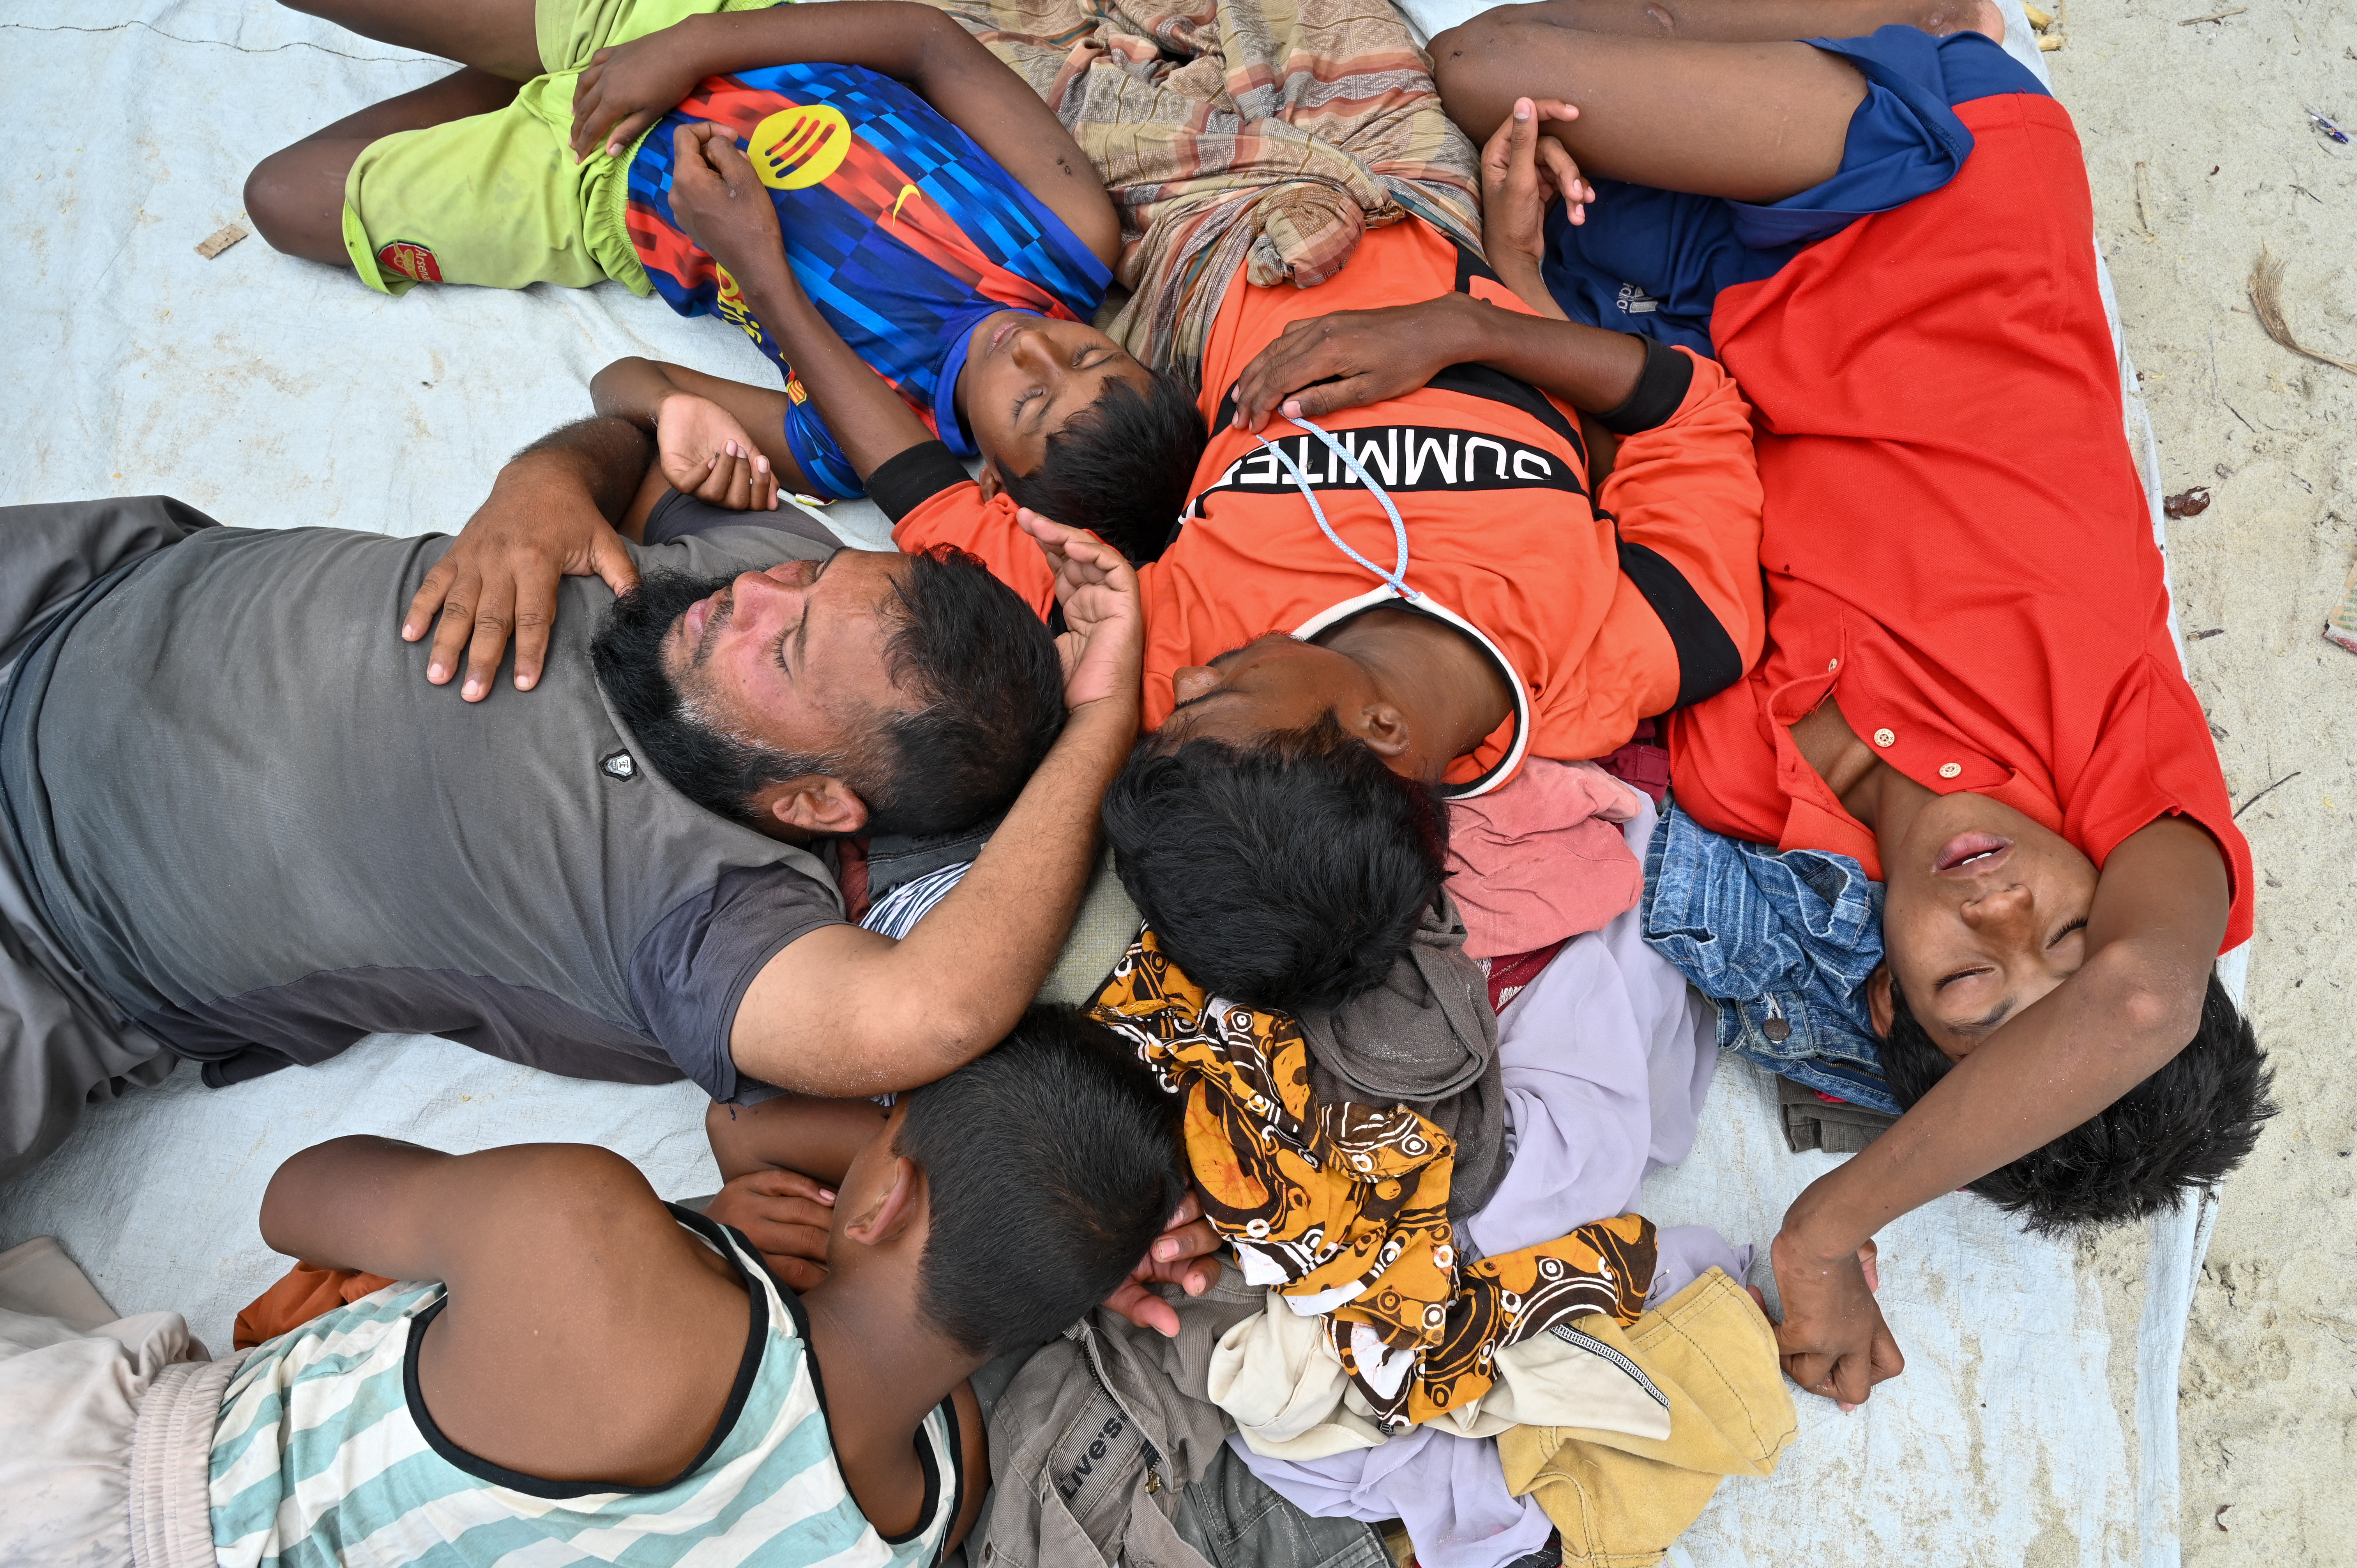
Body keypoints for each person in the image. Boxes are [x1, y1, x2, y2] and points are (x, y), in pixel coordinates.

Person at [1229, 0, 2276, 1405]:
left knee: (1485, 160)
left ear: (1891, 1006)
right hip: (1920, 209)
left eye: (1968, 983)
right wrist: (1826, 1228)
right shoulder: (2116, 754)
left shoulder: (1735, 794)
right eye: (2069, 931)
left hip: (1706, 331)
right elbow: (2145, 998)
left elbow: (1650, 489)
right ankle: (1915, 20)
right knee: (1484, 66)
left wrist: (1503, 307)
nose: (1999, 911)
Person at [0, 410, 1146, 1182]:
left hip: (39, 937)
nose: (745, 598)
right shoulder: (746, 568)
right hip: (79, 578)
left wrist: (1099, 722)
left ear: (810, 803)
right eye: (802, 575)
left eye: (783, 650)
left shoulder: (714, 914)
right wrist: (545, 481)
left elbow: (928, 1014)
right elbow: (633, 432)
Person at [0, 1006, 1185, 1565]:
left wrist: (681, 1227)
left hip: (131, 1513)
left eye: (886, 1124)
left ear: (880, 1201)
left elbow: (301, 1195)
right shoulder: (935, 1500)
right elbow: (769, 1148)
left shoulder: (587, 1233)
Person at [242, 0, 1205, 572]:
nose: (1033, 347)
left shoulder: (853, 441)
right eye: (1088, 352)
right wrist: (694, 46)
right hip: (690, 29)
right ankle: (545, 57)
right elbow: (924, 41)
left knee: (282, 198)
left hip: (593, 180)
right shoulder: (1066, 238)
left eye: (1031, 398)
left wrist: (672, 417)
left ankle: (528, 82)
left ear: (996, 476)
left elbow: (624, 379)